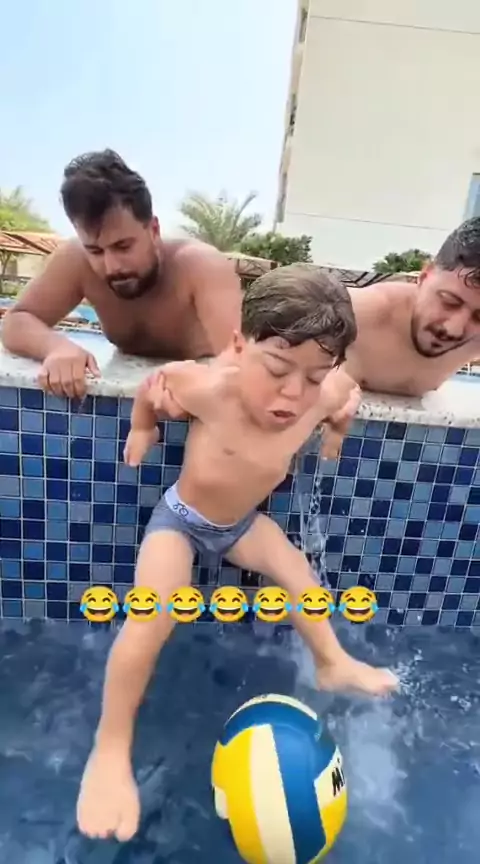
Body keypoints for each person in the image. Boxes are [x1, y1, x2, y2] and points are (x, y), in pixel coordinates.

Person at [76, 264, 398, 843]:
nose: (292, 393)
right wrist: (145, 427)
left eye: (313, 375)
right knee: (151, 615)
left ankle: (331, 662)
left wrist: (337, 428)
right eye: (275, 369)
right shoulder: (209, 388)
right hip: (181, 521)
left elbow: (344, 389)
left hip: (242, 524)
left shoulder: (321, 393)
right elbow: (156, 385)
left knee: (297, 571)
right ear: (239, 347)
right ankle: (110, 746)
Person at [1, 150, 242, 399]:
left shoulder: (201, 267)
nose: (111, 266)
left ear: (154, 230)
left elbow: (240, 368)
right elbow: (16, 321)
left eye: (123, 246)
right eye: (95, 250)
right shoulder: (76, 260)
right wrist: (56, 347)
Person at [318, 217, 480, 457]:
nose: (454, 329)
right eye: (449, 302)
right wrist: (315, 375)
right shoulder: (360, 311)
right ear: (424, 276)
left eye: (479, 317)